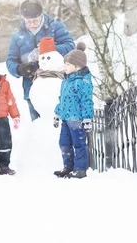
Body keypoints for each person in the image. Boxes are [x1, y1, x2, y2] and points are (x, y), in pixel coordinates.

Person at [6, 0, 75, 121]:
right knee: (39, 129)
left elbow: (71, 47)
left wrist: (47, 50)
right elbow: (10, 61)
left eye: (35, 21)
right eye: (28, 21)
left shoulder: (55, 27)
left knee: (61, 127)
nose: (32, 24)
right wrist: (20, 69)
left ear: (41, 15)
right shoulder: (18, 36)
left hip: (58, 87)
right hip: (32, 91)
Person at [53, 42, 94, 179]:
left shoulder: (83, 81)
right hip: (66, 118)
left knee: (78, 144)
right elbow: (62, 99)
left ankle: (80, 169)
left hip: (77, 120)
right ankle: (68, 166)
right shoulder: (66, 81)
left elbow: (87, 101)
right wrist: (57, 113)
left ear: (77, 66)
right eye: (65, 64)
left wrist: (87, 118)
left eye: (68, 64)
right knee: (64, 143)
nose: (65, 66)